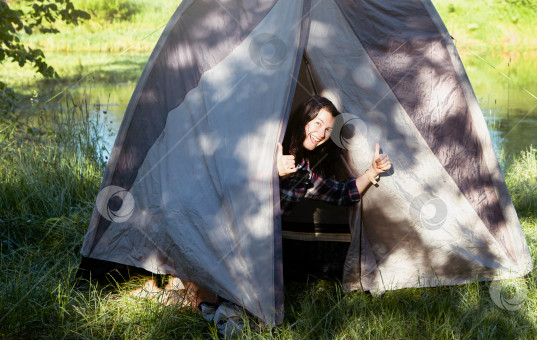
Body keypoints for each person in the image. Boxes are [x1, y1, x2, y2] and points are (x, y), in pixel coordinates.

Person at [132, 95, 391, 308]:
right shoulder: (268, 143)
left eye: (328, 130)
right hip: (224, 226)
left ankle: (178, 290)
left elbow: (342, 193)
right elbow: (229, 183)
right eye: (317, 123)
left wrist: (372, 172)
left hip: (256, 245)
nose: (321, 133)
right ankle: (177, 287)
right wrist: (272, 172)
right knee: (209, 296)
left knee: (213, 300)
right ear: (305, 117)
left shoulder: (305, 173)